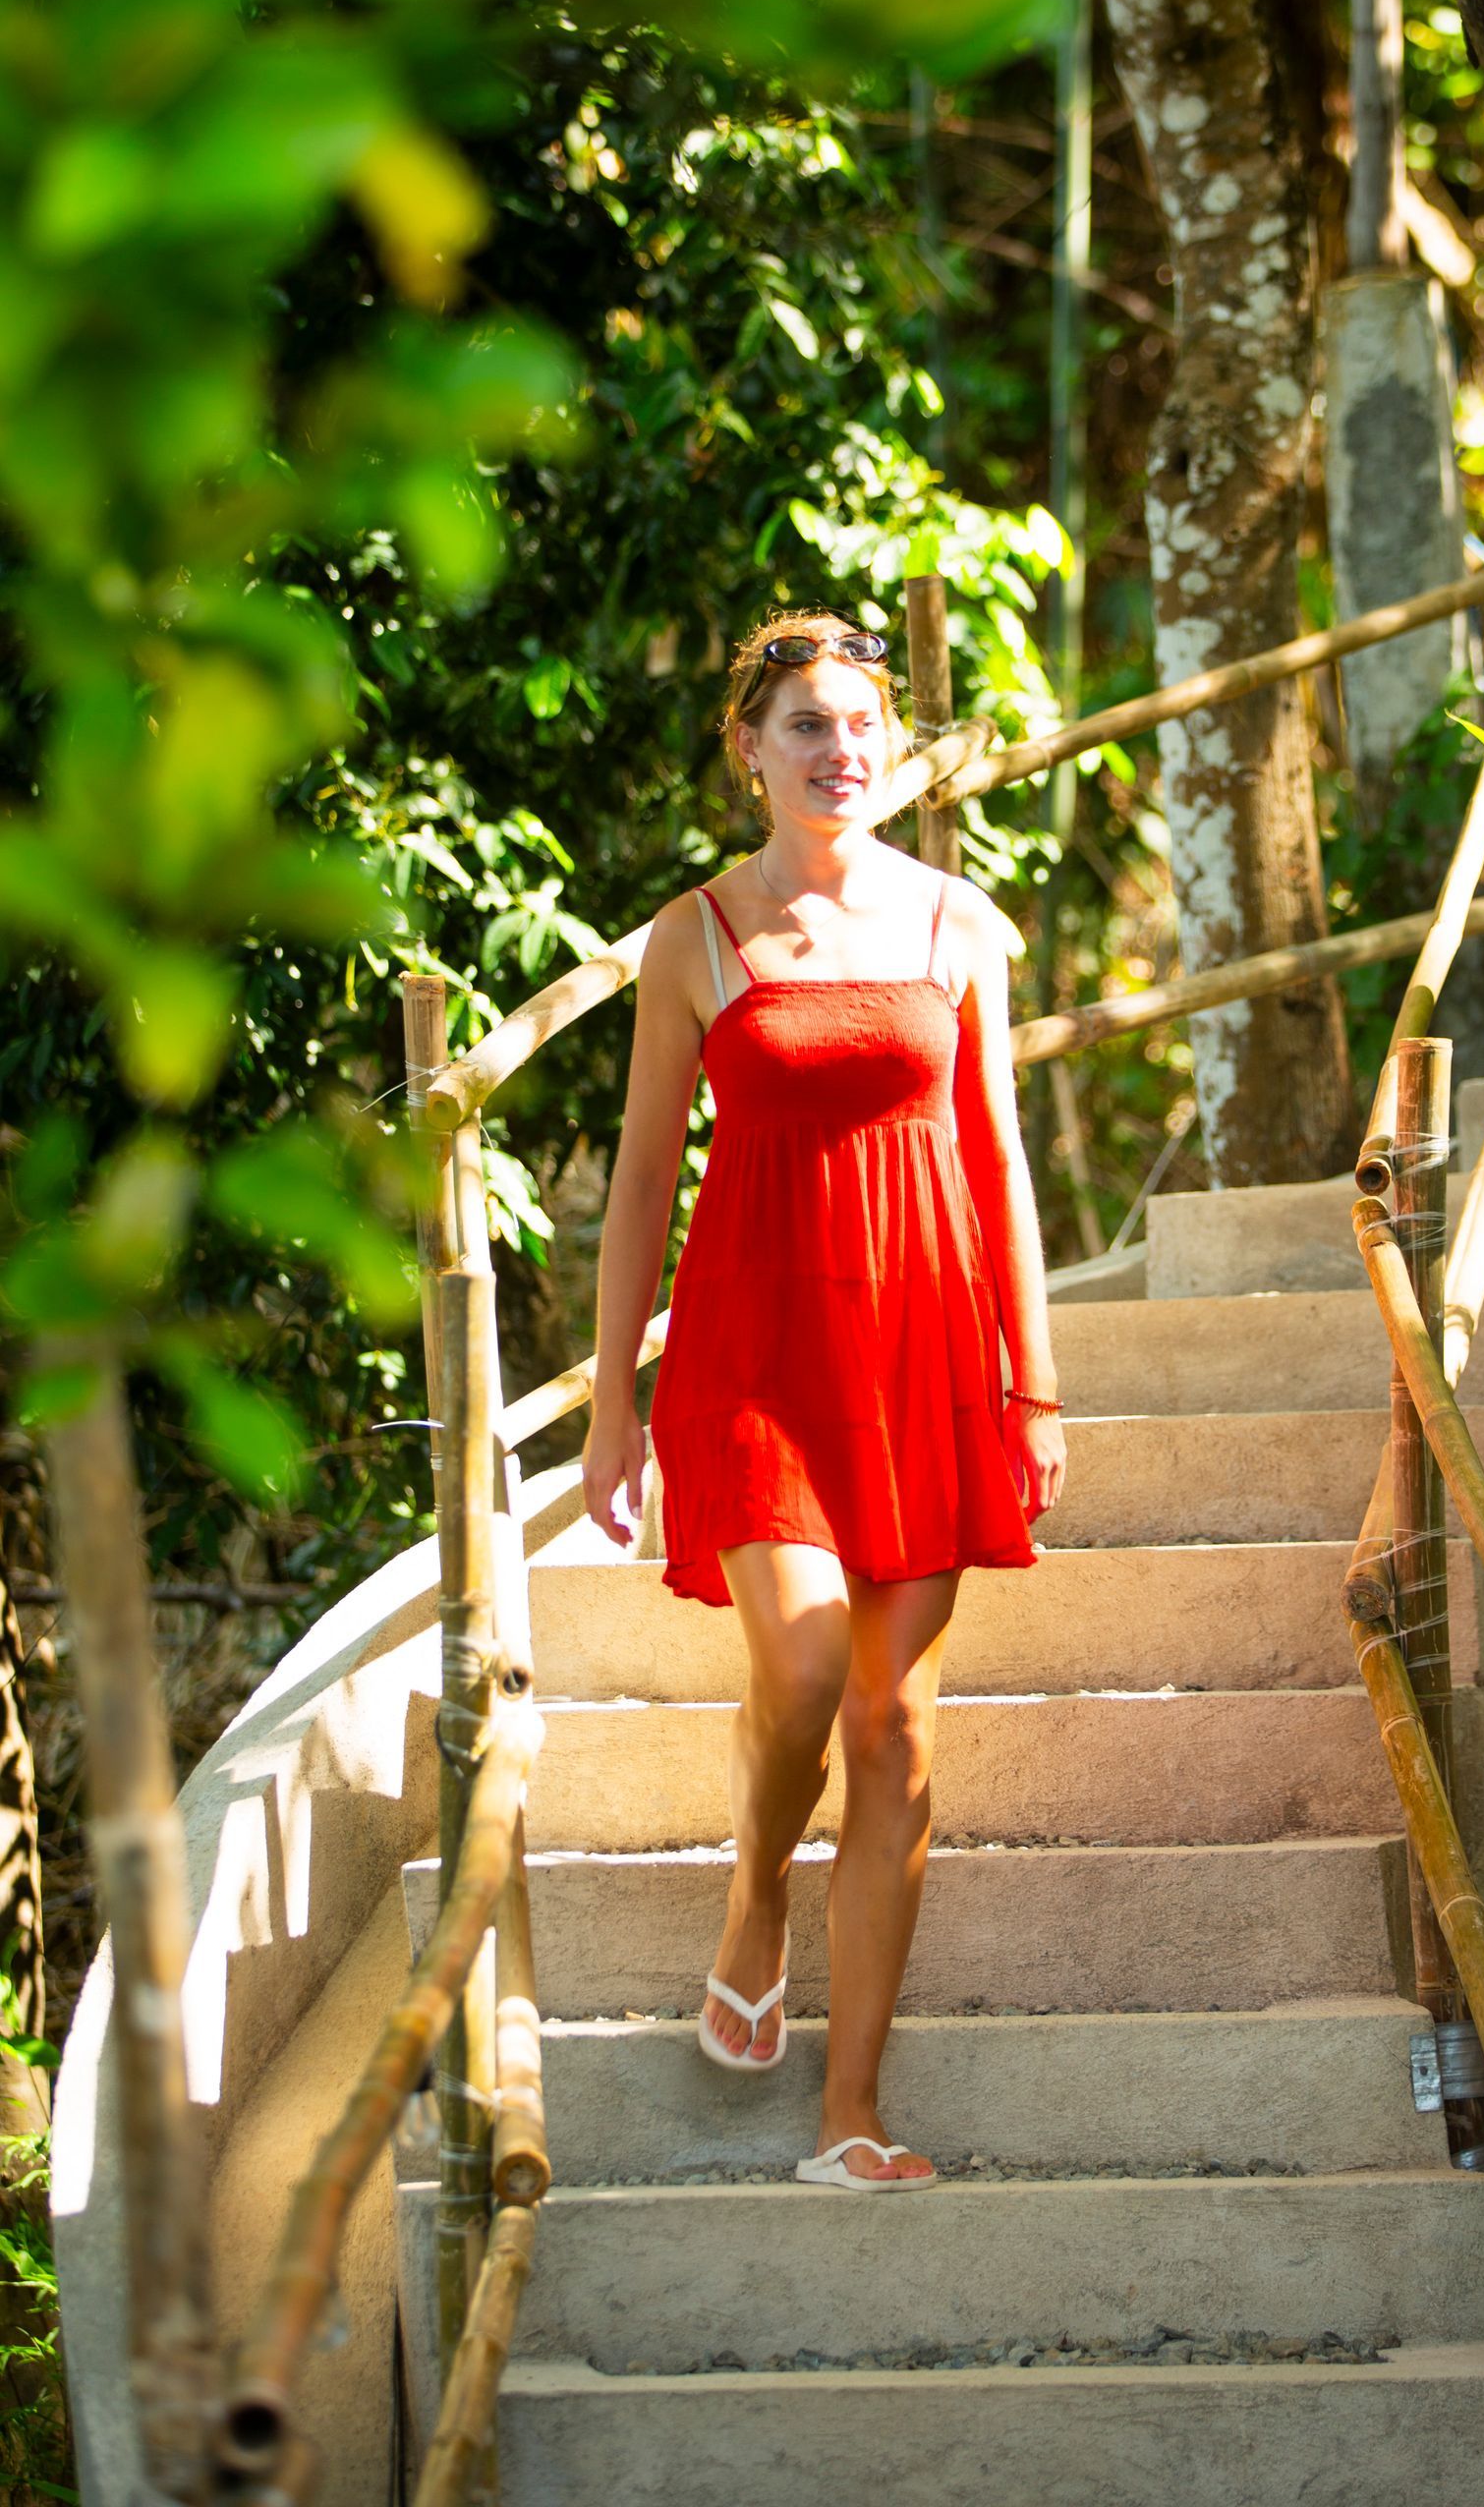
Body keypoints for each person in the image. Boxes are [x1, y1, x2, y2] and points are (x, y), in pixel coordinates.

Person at [582, 604, 1065, 2190]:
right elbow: (642, 1177)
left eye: (863, 726)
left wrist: (1037, 1388)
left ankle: (850, 2109)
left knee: (893, 1725)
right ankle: (756, 1897)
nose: (840, 751)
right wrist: (611, 1403)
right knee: (798, 1677)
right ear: (750, 749)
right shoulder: (695, 936)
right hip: (755, 1353)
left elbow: (1000, 1161)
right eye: (807, 725)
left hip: (926, 1352)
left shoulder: (957, 924)